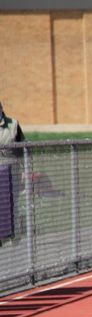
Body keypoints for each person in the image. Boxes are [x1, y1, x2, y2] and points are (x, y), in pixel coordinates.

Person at [0, 101, 25, 240]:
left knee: (12, 202)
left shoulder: (13, 125)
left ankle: (14, 235)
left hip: (11, 170)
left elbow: (24, 149)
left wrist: (25, 169)